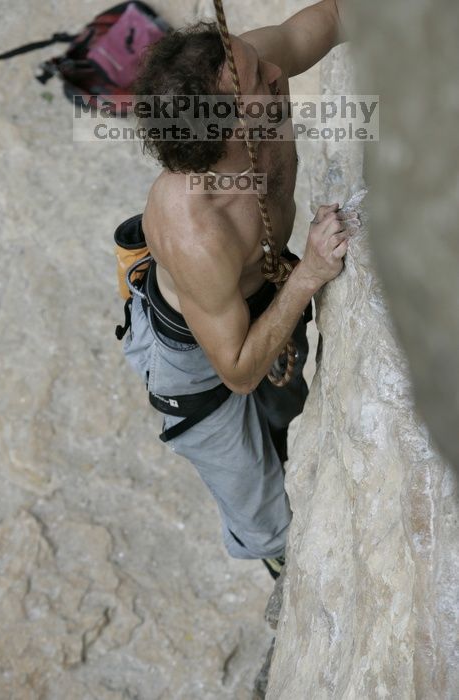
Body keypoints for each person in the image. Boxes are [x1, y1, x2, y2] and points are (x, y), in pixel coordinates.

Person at [122, 0, 359, 579]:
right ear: (225, 128)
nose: (277, 75)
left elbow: (329, 17)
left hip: (257, 292)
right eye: (260, 81)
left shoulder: (244, 68)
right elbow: (237, 371)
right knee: (261, 504)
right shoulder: (196, 229)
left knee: (288, 414)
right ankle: (284, 567)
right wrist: (308, 276)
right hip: (199, 365)